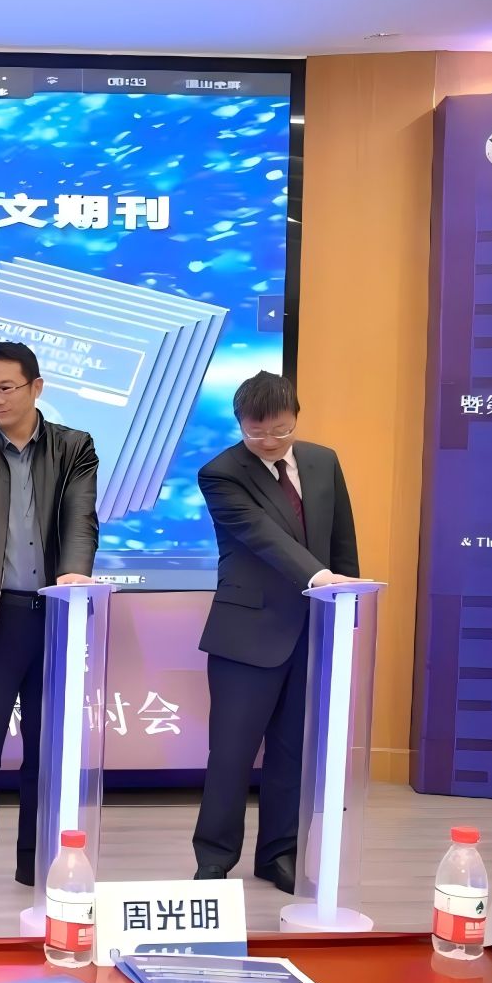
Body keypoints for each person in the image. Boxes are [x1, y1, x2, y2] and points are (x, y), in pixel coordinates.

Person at [0, 341, 99, 901]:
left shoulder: (74, 447)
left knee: (46, 747)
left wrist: (75, 576)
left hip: (54, 614)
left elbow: (81, 519)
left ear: (36, 387)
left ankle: (37, 856)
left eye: (6, 388)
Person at [193, 371, 362, 893]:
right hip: (246, 635)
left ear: (296, 417)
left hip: (312, 630)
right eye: (257, 431)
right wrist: (319, 577)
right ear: (240, 423)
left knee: (293, 753)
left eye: (281, 430)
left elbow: (342, 540)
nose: (270, 441)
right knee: (231, 754)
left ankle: (279, 855)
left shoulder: (322, 461)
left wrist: (347, 611)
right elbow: (263, 536)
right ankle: (214, 860)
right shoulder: (221, 473)